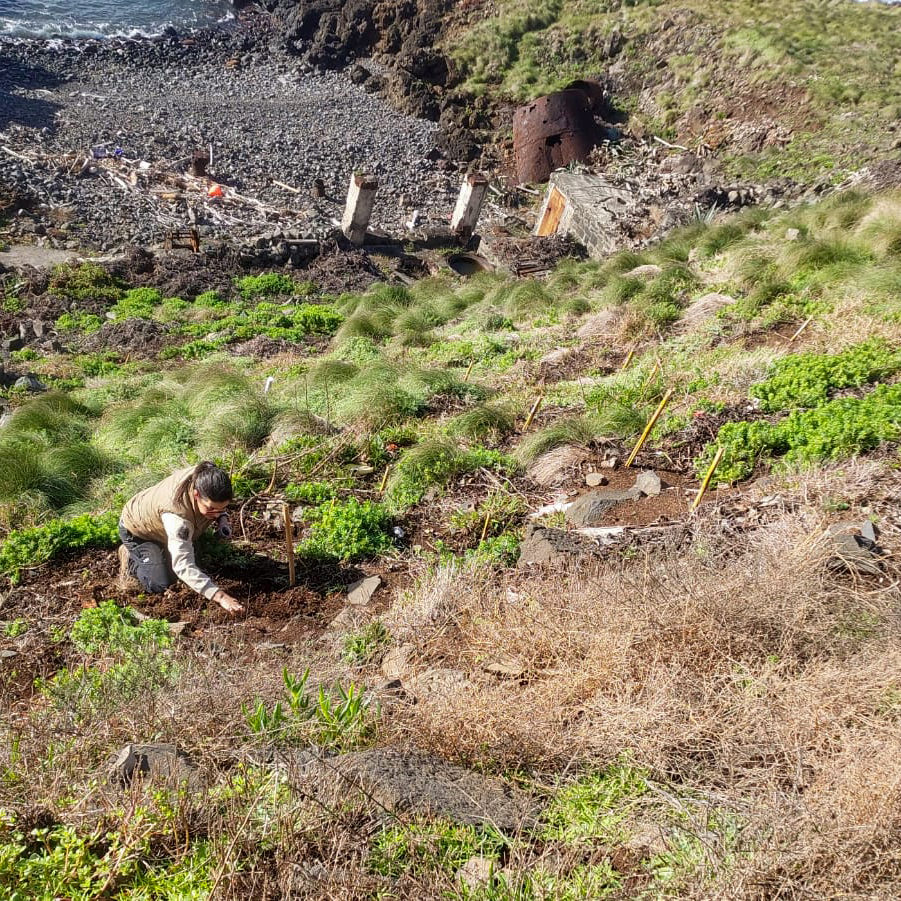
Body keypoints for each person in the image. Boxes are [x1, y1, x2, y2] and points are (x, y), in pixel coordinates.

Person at [117, 461, 244, 614]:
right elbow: (183, 566)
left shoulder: (206, 474)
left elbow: (217, 507)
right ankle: (130, 558)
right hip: (138, 530)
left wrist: (222, 519)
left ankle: (166, 549)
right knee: (161, 584)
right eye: (211, 508)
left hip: (163, 524)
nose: (216, 513)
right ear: (196, 494)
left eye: (222, 508)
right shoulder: (178, 520)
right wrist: (221, 597)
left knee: (196, 565)